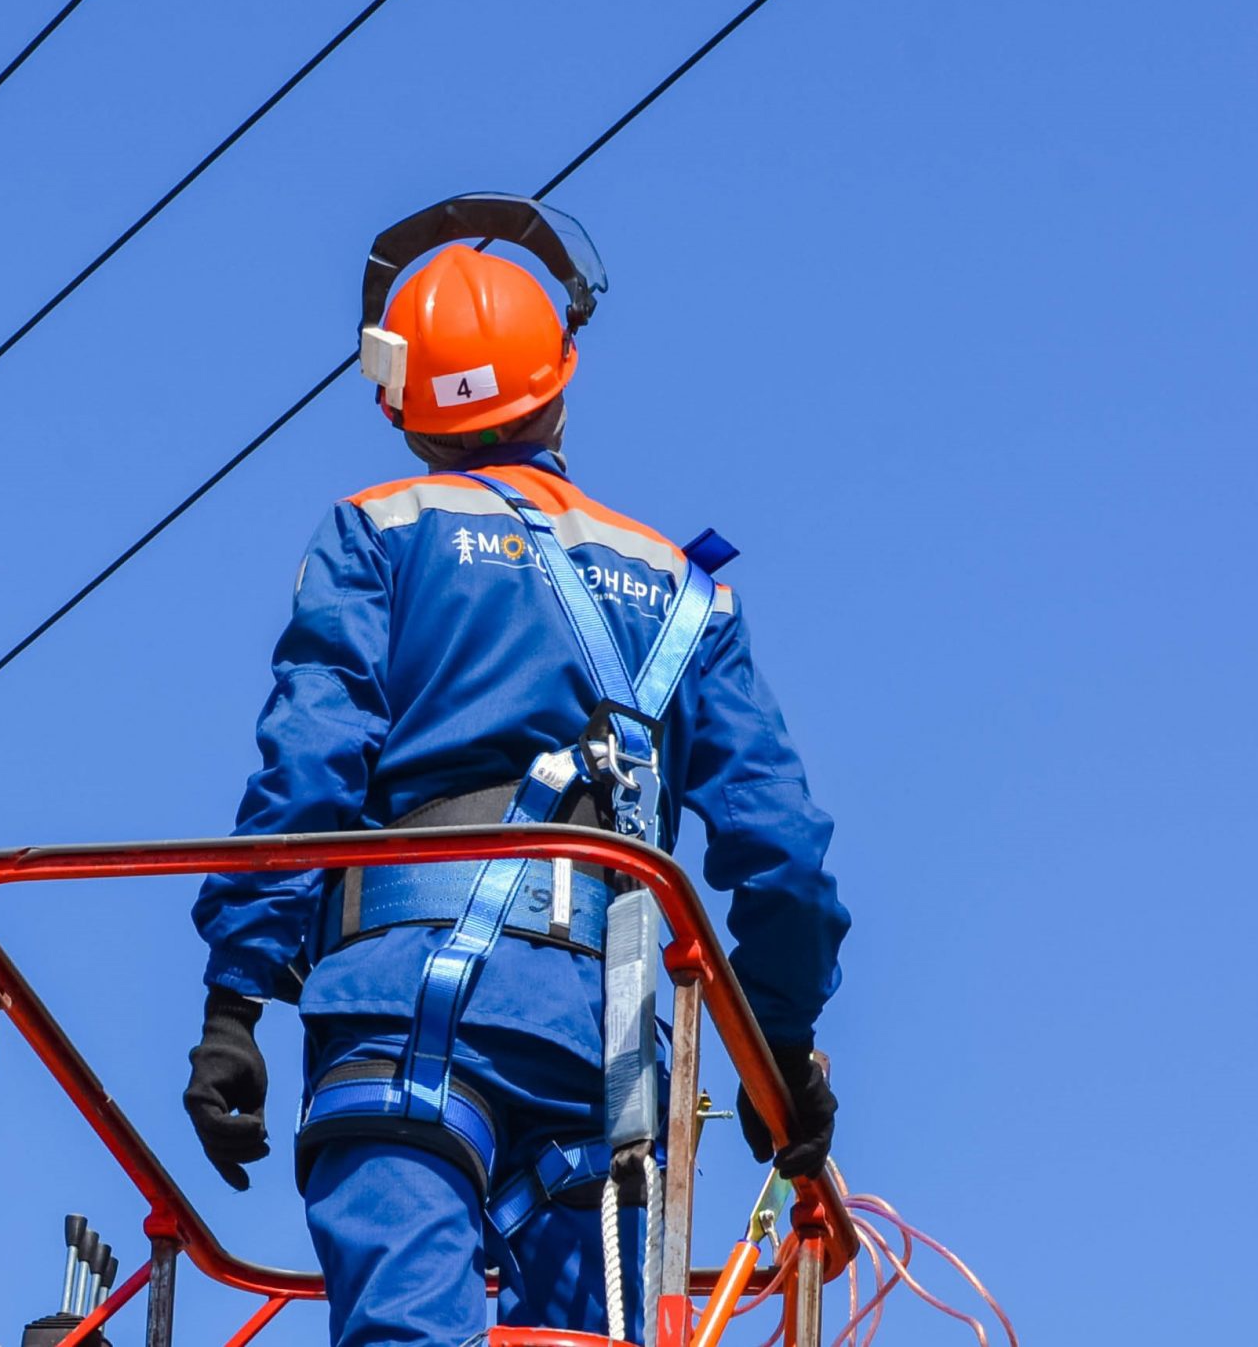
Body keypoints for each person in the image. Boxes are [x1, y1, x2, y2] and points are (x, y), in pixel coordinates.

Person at [184, 195, 847, 1347]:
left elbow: (309, 763)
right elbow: (780, 846)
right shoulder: (686, 592)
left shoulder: (376, 532)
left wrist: (234, 998)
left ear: (400, 405)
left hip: (400, 1007)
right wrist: (776, 1046)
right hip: (607, 1051)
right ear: (563, 372)